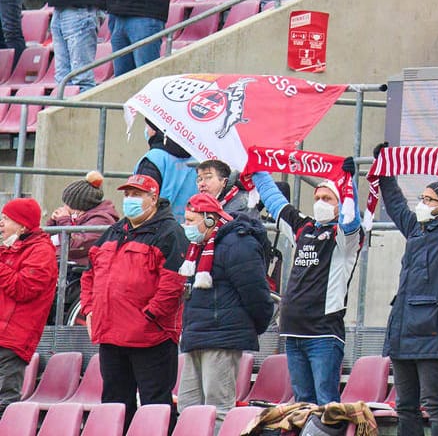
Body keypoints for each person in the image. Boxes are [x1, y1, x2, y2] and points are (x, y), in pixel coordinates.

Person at [379, 144, 438, 436]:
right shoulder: (415, 230)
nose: (421, 203)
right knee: (405, 405)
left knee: (434, 404)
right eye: (420, 197)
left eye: (428, 199)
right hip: (403, 328)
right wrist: (385, 175)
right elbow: (396, 206)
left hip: (433, 331)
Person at [82, 175, 187, 419]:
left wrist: (149, 316)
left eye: (137, 194)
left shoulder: (170, 233)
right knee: (114, 405)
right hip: (111, 335)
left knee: (155, 407)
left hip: (151, 337)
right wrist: (89, 310)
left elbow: (173, 283)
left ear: (153, 198)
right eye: (127, 194)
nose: (130, 199)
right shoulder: (114, 231)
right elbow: (89, 275)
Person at [255, 174, 363, 405]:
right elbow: (275, 201)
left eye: (328, 198)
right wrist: (257, 168)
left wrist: (347, 182)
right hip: (293, 331)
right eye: (317, 197)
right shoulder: (304, 227)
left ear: (340, 203)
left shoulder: (344, 238)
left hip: (323, 334)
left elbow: (351, 220)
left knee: (326, 405)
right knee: (302, 404)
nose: (320, 203)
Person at [176, 193, 272, 421]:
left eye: (191, 220)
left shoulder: (238, 244)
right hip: (196, 336)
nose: (186, 226)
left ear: (209, 219)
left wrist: (245, 328)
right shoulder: (198, 247)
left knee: (218, 409)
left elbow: (256, 293)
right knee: (188, 409)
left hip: (222, 337)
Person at [0, 196, 55, 405]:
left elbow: (23, 289)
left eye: (6, 218)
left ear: (22, 225)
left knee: (5, 400)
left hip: (12, 338)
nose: (1, 223)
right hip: (4, 335)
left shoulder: (41, 251)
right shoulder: (11, 249)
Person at [49, 174, 115, 315]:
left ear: (77, 206)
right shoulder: (79, 217)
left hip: (79, 270)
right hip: (66, 265)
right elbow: (50, 237)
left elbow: (74, 246)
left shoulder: (101, 220)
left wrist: (64, 221)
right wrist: (53, 222)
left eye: (66, 203)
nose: (64, 207)